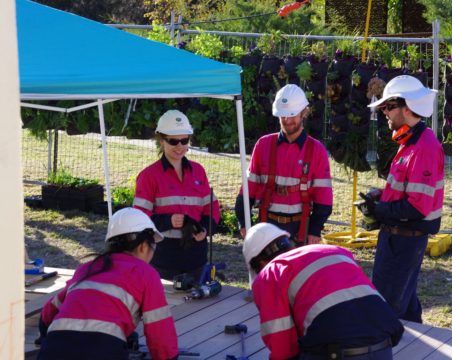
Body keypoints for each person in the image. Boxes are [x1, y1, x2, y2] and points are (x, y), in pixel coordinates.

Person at [243, 223, 404, 359]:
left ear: (260, 263)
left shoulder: (271, 272)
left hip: (337, 351)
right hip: (384, 344)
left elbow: (281, 343)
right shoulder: (334, 250)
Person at [38, 207, 179, 360]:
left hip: (54, 348)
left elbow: (48, 313)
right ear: (143, 246)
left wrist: (45, 337)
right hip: (103, 350)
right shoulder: (145, 273)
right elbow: (160, 331)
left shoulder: (86, 269)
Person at [364, 75, 444, 323]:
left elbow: (417, 207)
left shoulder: (424, 146)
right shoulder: (410, 141)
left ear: (406, 108)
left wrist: (380, 210)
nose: (384, 112)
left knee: (386, 312)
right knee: (407, 310)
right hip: (396, 238)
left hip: (404, 241)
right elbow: (407, 191)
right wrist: (381, 196)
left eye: (388, 106)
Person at [235, 84, 333, 245]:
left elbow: (324, 197)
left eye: (292, 115)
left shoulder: (316, 150)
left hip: (300, 229)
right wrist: (244, 223)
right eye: (283, 116)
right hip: (267, 226)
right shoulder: (263, 145)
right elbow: (247, 190)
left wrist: (315, 230)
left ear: (303, 113)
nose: (287, 120)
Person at [133, 110, 219, 281]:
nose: (180, 146)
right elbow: (139, 221)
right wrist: (168, 221)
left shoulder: (199, 171)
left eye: (184, 140)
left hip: (197, 259)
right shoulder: (148, 176)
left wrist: (204, 229)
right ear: (161, 140)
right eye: (173, 141)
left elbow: (212, 209)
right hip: (163, 261)